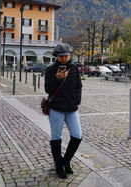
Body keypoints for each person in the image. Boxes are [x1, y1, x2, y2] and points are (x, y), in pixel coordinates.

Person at [44, 43, 83, 178]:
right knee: (56, 137)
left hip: (72, 108)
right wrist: (57, 78)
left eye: (66, 56)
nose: (64, 58)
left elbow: (79, 86)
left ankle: (65, 161)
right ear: (56, 56)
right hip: (56, 108)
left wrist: (77, 100)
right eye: (61, 56)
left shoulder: (74, 68)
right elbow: (48, 89)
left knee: (77, 136)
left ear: (69, 55)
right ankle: (59, 165)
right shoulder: (50, 70)